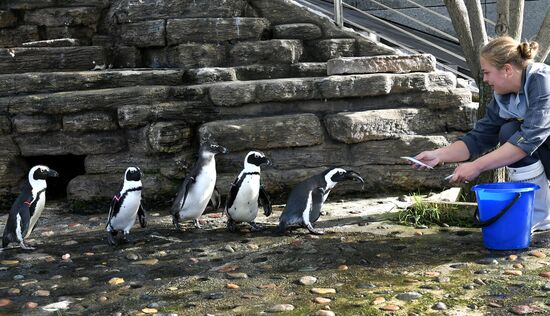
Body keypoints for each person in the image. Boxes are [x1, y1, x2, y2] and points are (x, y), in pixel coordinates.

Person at [414, 36, 550, 231]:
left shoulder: (542, 81)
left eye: (487, 73)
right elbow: (479, 137)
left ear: (507, 69)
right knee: (509, 131)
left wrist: (476, 166)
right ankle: (538, 216)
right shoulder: (504, 98)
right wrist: (438, 155)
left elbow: (528, 139)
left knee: (517, 136)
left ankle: (539, 215)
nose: (485, 80)